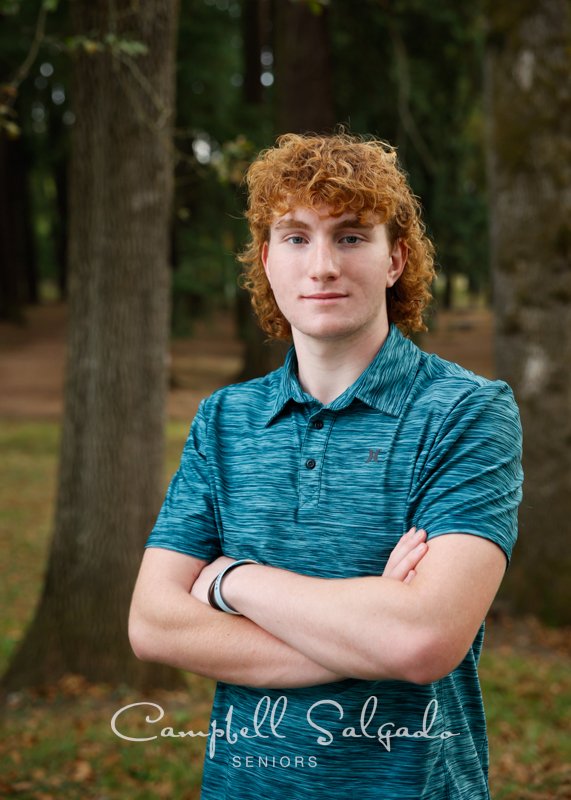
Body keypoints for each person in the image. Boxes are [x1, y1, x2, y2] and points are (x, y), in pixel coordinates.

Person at [129, 132, 523, 799]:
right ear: (266, 259)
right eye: (295, 237)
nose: (321, 267)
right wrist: (374, 632)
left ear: (395, 259)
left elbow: (424, 642)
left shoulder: (466, 413)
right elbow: (152, 623)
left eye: (349, 237)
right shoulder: (224, 420)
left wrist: (233, 583)